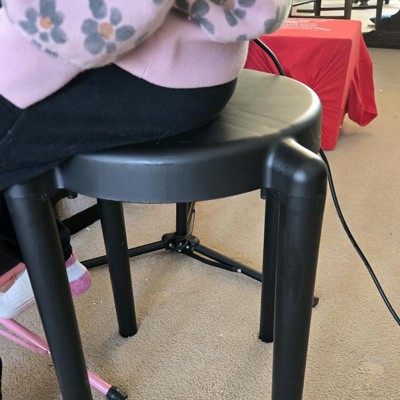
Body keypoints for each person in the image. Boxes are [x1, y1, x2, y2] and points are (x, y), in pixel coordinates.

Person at [0, 0, 291, 319]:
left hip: (145, 64)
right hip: (190, 52)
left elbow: (96, 16)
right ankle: (44, 257)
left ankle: (30, 263)